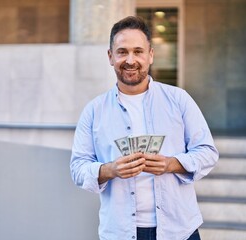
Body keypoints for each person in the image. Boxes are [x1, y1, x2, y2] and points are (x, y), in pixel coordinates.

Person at [70, 16, 219, 240]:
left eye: (138, 51)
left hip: (179, 230)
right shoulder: (93, 111)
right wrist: (110, 170)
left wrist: (172, 164)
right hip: (120, 232)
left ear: (150, 55)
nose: (130, 60)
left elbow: (207, 152)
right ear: (110, 57)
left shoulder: (179, 99)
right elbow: (78, 168)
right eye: (122, 52)